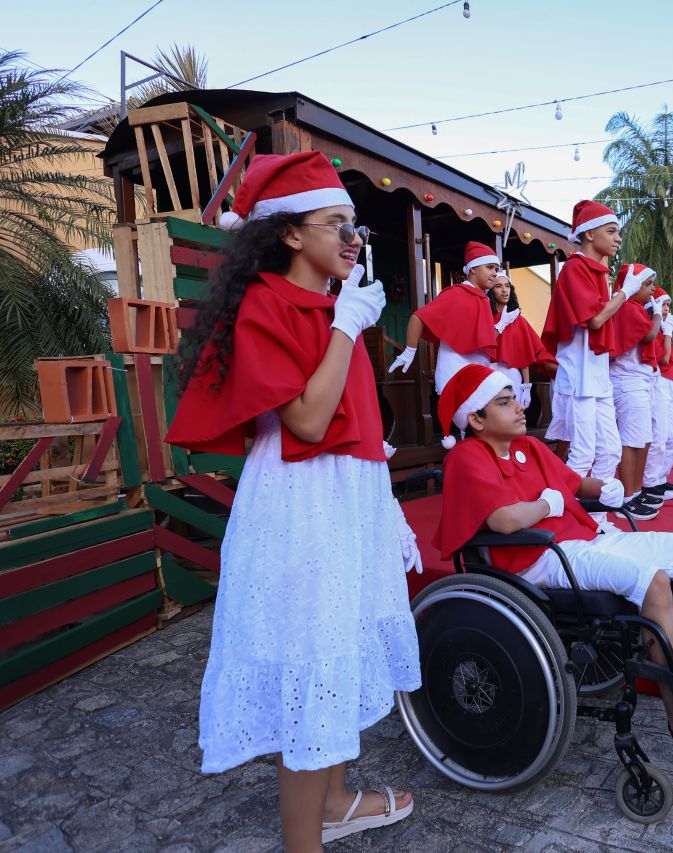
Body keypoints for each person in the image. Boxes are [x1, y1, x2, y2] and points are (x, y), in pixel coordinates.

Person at [165, 152, 421, 848]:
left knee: (340, 640)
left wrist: (383, 498)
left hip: (347, 495)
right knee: (314, 648)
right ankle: (302, 840)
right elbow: (307, 420)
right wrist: (346, 327)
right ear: (288, 232)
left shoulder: (338, 304)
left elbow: (352, 416)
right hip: (301, 503)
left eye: (354, 224)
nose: (352, 238)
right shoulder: (268, 303)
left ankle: (333, 801)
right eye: (335, 223)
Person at [430, 364, 673, 752]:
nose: (520, 407)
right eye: (504, 402)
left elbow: (575, 485)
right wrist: (546, 505)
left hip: (582, 541)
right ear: (476, 418)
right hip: (538, 559)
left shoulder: (528, 447)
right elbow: (504, 520)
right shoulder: (467, 457)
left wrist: (607, 488)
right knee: (653, 582)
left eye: (515, 399)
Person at [541, 200, 634, 479]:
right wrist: (625, 293)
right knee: (582, 454)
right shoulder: (575, 268)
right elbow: (595, 319)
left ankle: (596, 507)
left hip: (597, 376)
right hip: (579, 376)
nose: (618, 238)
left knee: (611, 452)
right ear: (590, 234)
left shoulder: (597, 272)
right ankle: (565, 506)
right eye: (611, 231)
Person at [389, 241, 501, 394]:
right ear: (473, 268)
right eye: (489, 267)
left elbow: (484, 341)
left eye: (496, 269)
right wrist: (409, 351)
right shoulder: (456, 293)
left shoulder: (484, 300)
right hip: (455, 373)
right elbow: (418, 317)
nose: (495, 273)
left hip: (478, 374)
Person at [607, 263, 662, 520]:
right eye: (648, 284)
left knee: (643, 439)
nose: (652, 290)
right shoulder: (628, 306)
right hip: (628, 380)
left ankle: (636, 492)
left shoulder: (635, 307)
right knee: (631, 441)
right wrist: (658, 316)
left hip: (638, 381)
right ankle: (627, 498)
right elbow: (649, 336)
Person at [487, 270, 556, 408]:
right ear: (491, 291)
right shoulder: (485, 318)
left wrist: (526, 387)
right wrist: (501, 324)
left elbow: (524, 355)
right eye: (498, 286)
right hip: (489, 375)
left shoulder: (518, 320)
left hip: (513, 377)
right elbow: (484, 344)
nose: (504, 290)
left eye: (507, 286)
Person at [641, 289, 673, 504]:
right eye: (663, 304)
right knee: (659, 436)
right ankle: (650, 481)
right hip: (658, 381)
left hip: (670, 383)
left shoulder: (662, 327)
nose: (666, 308)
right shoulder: (654, 327)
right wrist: (667, 333)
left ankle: (660, 478)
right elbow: (664, 359)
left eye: (668, 305)